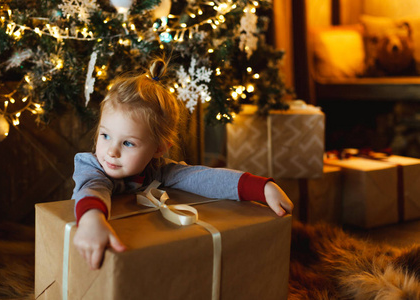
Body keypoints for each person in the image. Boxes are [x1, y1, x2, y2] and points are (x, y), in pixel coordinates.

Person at [72, 57, 293, 270]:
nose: (111, 151)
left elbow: (202, 177)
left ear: (159, 149)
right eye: (105, 136)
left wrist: (261, 187)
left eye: (128, 143)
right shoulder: (91, 166)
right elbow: (92, 189)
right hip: (89, 247)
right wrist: (92, 220)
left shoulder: (158, 170)